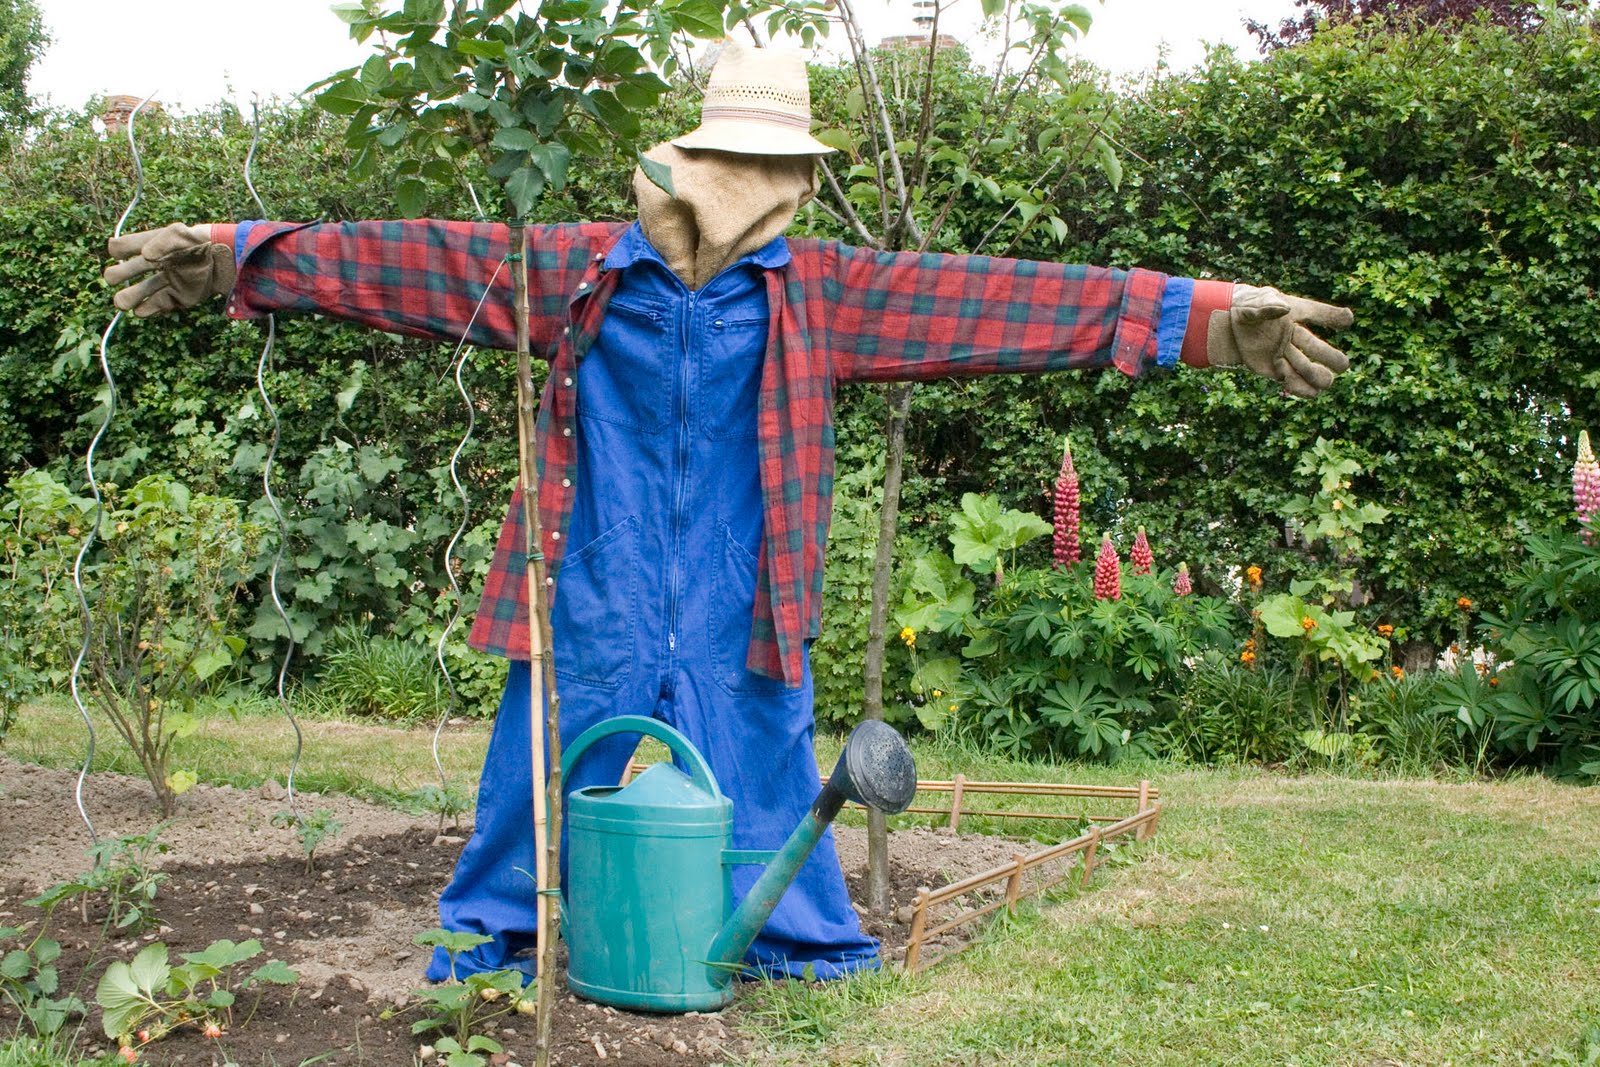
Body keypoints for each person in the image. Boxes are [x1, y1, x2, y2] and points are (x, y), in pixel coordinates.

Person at [103, 43, 1354, 984]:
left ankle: (784, 934)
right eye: (748, 167)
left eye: (779, 171)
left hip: (743, 578)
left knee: (760, 759)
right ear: (698, 163)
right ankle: (501, 926)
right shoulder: (576, 269)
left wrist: (1202, 319)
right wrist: (236, 254)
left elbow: (1011, 301)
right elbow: (403, 263)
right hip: (590, 566)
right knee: (545, 751)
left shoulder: (823, 288)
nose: (765, 190)